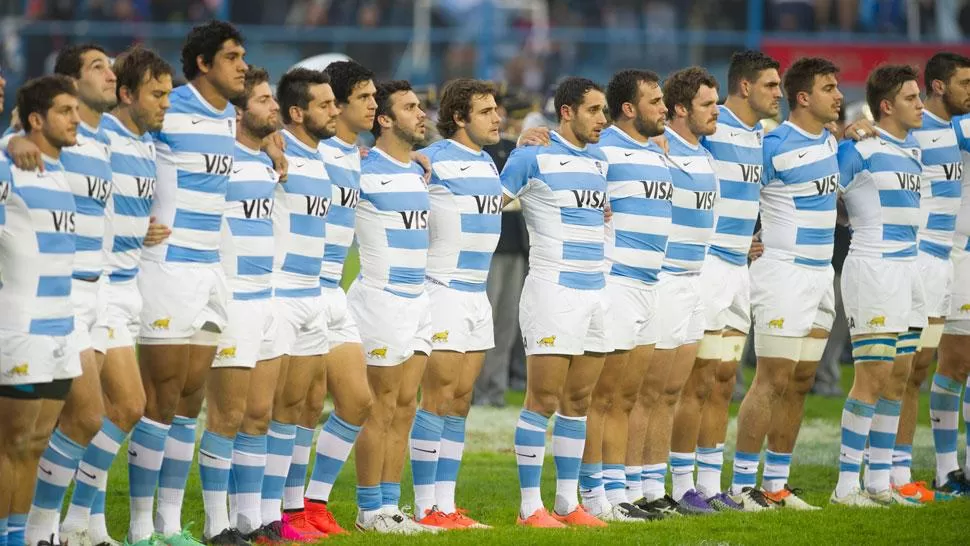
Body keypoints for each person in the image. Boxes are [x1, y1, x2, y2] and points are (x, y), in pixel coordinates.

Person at [129, 21, 245, 546]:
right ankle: (136, 528)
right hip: (167, 265)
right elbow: (115, 144)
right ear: (204, 64)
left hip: (209, 270)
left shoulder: (228, 118)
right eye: (232, 57)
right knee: (161, 397)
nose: (242, 65)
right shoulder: (166, 107)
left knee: (191, 399)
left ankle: (170, 524)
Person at [58, 45, 174, 546]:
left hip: (125, 286)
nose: (164, 104)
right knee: (102, 411)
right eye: (156, 95)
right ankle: (60, 523)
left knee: (116, 410)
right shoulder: (94, 132)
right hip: (87, 288)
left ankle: (83, 523)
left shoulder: (147, 140)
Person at [729, 57, 842, 510]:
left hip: (821, 274)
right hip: (783, 273)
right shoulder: (770, 145)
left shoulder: (834, 142)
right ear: (804, 97)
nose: (838, 95)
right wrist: (742, 239)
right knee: (771, 379)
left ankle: (776, 484)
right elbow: (733, 190)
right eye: (829, 88)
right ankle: (741, 487)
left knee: (801, 380)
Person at [502, 77, 610, 529]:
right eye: (594, 110)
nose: (603, 119)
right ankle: (530, 506)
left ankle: (567, 502)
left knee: (579, 399)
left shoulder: (602, 160)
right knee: (542, 398)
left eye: (605, 110)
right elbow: (489, 204)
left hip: (596, 292)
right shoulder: (531, 156)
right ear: (566, 112)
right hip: (552, 291)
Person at [19, 43, 116, 546]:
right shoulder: (37, 144)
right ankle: (39, 530)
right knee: (84, 415)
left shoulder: (97, 142)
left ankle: (50, 529)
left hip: (97, 292)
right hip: (57, 296)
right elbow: (21, 146)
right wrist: (10, 140)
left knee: (66, 421)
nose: (110, 72)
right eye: (97, 66)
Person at [407, 78, 502, 529]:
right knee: (438, 398)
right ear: (459, 117)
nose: (496, 116)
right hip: (442, 289)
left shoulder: (488, 163)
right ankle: (424, 506)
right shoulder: (433, 161)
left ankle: (446, 504)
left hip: (475, 294)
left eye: (496, 109)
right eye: (485, 111)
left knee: (461, 400)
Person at [286, 60, 375, 537]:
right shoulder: (298, 149)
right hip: (296, 289)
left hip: (333, 292)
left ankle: (314, 502)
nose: (373, 105)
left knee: (358, 401)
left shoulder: (359, 155)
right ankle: (288, 508)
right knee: (300, 403)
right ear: (334, 106)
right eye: (364, 97)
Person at [831, 64, 925, 507]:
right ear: (886, 105)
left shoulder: (913, 152)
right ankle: (846, 485)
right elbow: (822, 188)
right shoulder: (861, 149)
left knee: (900, 375)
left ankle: (878, 480)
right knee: (873, 375)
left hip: (909, 271)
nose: (920, 104)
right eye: (911, 98)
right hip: (873, 266)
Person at [691, 51, 782, 512]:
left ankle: (710, 486)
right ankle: (674, 482)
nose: (778, 93)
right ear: (744, 87)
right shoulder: (711, 126)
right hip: (705, 267)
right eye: (770, 85)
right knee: (697, 378)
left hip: (738, 270)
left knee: (725, 377)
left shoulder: (760, 138)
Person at [578, 68, 670, 522]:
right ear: (629, 108)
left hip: (651, 287)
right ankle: (594, 496)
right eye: (655, 101)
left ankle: (617, 493)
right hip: (615, 284)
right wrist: (531, 137)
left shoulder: (657, 150)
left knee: (627, 398)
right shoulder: (603, 150)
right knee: (603, 397)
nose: (664, 108)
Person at [200, 65, 283, 545]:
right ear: (238, 111)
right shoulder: (216, 158)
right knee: (225, 417)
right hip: (230, 301)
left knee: (258, 415)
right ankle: (217, 524)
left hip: (265, 299)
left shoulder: (267, 159)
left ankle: (250, 520)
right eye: (264, 100)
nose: (272, 107)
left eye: (274, 99)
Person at [633, 67, 720, 515]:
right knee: (648, 392)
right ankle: (637, 490)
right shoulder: (657, 151)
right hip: (662, 281)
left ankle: (664, 485)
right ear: (681, 109)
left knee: (672, 392)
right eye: (707, 104)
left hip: (694, 282)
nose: (715, 111)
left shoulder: (705, 153)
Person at [349, 80, 433, 535]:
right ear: (384, 118)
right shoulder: (361, 169)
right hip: (380, 300)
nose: (421, 113)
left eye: (420, 106)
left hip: (418, 300)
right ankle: (367, 511)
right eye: (410, 107)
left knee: (405, 406)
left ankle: (389, 506)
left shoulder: (420, 168)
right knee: (378, 407)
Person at [0, 74, 80, 546]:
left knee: (33, 446)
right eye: (65, 112)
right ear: (36, 120)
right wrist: (9, 143)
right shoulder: (9, 168)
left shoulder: (60, 168)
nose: (76, 120)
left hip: (60, 330)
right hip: (21, 328)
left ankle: (21, 538)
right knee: (9, 445)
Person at [258, 67, 336, 542]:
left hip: (313, 294)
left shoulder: (321, 156)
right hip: (280, 293)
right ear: (296, 112)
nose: (334, 110)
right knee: (265, 412)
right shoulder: (276, 151)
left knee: (299, 409)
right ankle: (259, 514)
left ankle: (287, 511)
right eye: (325, 104)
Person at [896, 52, 970, 500]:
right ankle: (944, 469)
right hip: (932, 257)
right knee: (946, 363)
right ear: (939, 86)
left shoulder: (958, 130)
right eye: (965, 82)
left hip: (954, 255)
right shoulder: (919, 129)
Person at [927, 55, 970, 497]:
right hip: (953, 255)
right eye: (965, 82)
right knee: (955, 363)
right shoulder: (947, 128)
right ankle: (945, 469)